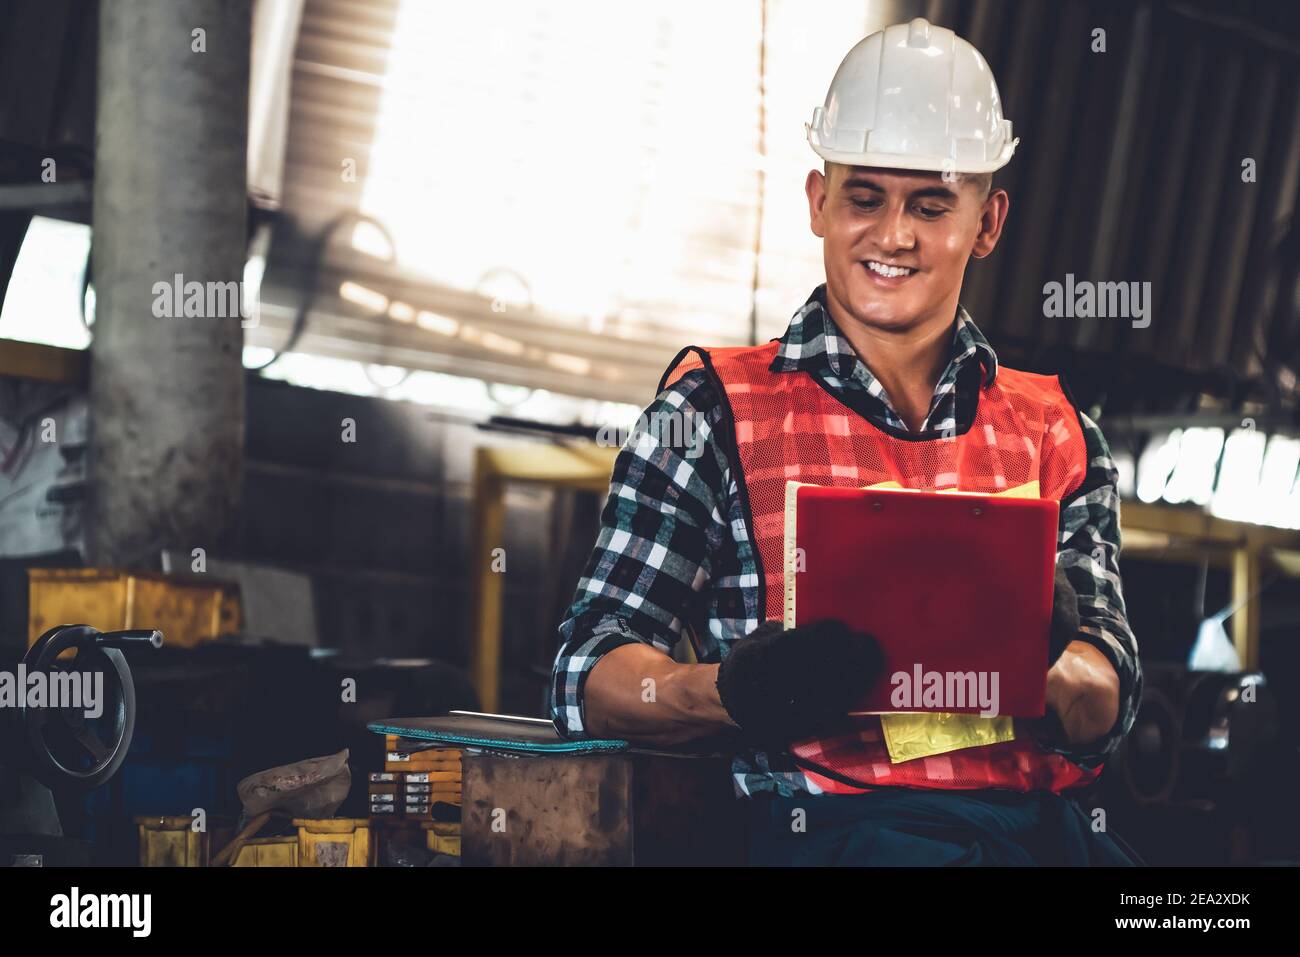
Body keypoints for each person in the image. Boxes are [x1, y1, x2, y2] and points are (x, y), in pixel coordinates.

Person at [550, 17, 1142, 865]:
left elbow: (1107, 693)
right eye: (865, 197)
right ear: (819, 202)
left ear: (988, 221)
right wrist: (729, 690)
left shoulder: (1055, 429)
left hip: (1042, 839)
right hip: (829, 837)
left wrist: (1052, 668)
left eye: (931, 204)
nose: (893, 235)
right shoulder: (714, 412)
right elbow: (584, 673)